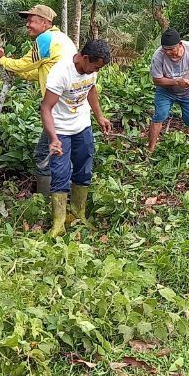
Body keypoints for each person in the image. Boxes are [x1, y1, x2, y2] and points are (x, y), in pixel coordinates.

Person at [0, 5, 76, 195]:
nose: (27, 24)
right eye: (27, 20)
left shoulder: (45, 38)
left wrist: (2, 59)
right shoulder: (60, 38)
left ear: (45, 23)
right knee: (62, 152)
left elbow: (23, 64)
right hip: (70, 104)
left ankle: (47, 199)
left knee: (43, 154)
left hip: (58, 107)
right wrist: (17, 73)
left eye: (32, 20)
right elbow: (39, 70)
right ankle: (63, 194)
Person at [41, 38, 114, 237]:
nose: (95, 72)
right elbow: (45, 108)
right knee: (60, 172)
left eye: (99, 69)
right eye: (94, 67)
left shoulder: (92, 72)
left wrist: (99, 116)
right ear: (84, 58)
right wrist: (53, 138)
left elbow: (91, 90)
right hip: (61, 129)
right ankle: (58, 223)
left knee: (84, 168)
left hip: (82, 126)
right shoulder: (61, 73)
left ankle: (78, 212)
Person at [147, 29, 189, 153]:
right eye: (165, 49)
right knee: (160, 115)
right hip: (166, 91)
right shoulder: (158, 56)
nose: (168, 52)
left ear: (180, 44)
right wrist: (176, 82)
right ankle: (150, 150)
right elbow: (157, 80)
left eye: (171, 49)